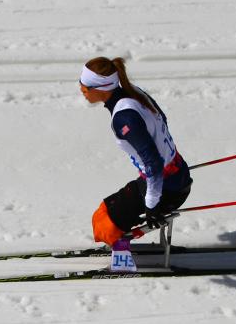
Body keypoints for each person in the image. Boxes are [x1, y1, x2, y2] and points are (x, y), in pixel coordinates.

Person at [80, 57, 193, 247]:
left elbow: (154, 164)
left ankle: (122, 259)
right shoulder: (133, 93)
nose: (82, 91)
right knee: (106, 211)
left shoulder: (124, 118)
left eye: (85, 88)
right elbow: (162, 120)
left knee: (103, 222)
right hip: (177, 174)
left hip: (165, 189)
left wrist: (151, 204)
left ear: (101, 88)